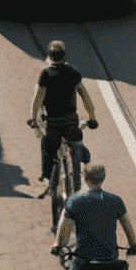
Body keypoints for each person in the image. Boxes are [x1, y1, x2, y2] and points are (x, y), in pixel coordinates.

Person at [28, 39, 99, 194]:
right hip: (71, 124)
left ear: (49, 56)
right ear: (64, 56)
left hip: (52, 124)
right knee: (79, 146)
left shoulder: (46, 74)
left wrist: (33, 119)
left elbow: (38, 99)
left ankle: (46, 179)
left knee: (47, 148)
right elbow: (85, 97)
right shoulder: (73, 72)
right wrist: (91, 118)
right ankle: (82, 165)